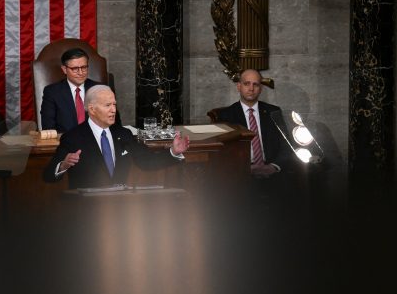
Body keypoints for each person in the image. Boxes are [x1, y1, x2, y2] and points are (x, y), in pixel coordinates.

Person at [43, 85, 190, 189]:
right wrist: (63, 165)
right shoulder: (73, 137)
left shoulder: (123, 134)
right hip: (87, 209)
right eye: (107, 105)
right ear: (92, 109)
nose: (113, 110)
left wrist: (174, 152)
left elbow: (146, 161)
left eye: (114, 104)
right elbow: (48, 176)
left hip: (120, 207)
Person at [216, 69, 293, 178]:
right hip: (240, 173)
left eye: (255, 84)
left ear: (260, 88)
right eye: (246, 84)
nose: (251, 89)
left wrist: (274, 166)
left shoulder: (273, 112)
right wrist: (243, 168)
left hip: (271, 170)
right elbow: (222, 152)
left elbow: (286, 146)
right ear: (239, 86)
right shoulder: (225, 115)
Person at [40, 47, 109, 133]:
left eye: (84, 67)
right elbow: (48, 129)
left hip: (96, 140)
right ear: (64, 69)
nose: (80, 72)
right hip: (65, 140)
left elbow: (112, 123)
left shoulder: (101, 89)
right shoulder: (52, 92)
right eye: (75, 69)